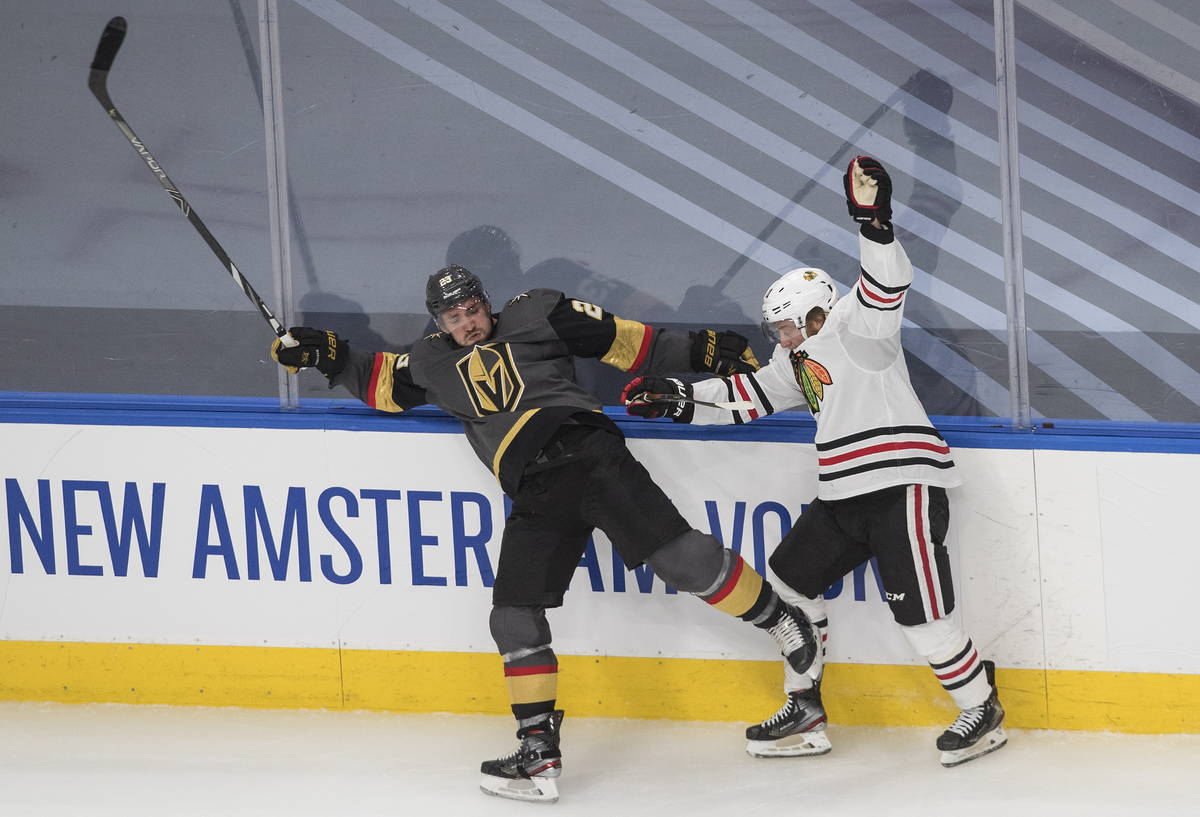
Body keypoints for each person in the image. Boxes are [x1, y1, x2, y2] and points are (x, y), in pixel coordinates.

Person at [270, 267, 822, 803]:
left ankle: (784, 621)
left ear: (487, 302)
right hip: (535, 488)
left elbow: (629, 342)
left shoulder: (536, 313)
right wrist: (324, 354)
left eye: (473, 309)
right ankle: (537, 749)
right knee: (512, 614)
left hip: (588, 451)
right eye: (454, 316)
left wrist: (702, 349)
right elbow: (380, 382)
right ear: (438, 321)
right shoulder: (430, 360)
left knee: (679, 559)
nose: (468, 323)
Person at [622, 156, 1007, 769]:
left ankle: (981, 706)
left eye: (784, 327)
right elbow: (747, 396)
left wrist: (873, 222)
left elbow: (888, 285)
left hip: (901, 484)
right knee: (792, 580)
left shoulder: (862, 328)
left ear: (816, 313)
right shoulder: (796, 362)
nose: (779, 338)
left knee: (924, 618)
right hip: (843, 496)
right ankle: (804, 706)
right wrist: (678, 398)